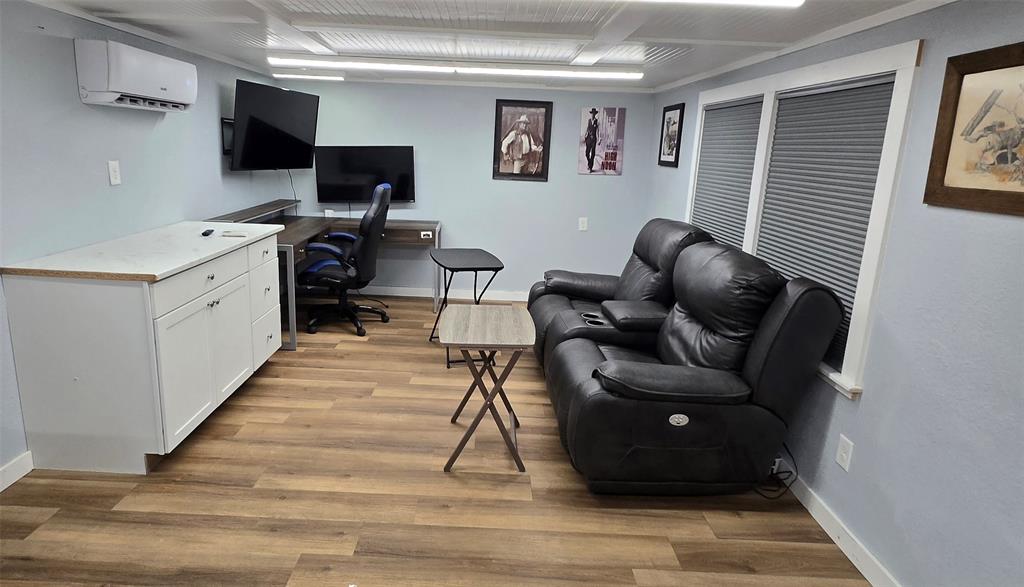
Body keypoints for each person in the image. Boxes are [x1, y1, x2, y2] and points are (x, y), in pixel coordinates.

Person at [584, 107, 600, 172]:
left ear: (595, 114)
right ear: (591, 114)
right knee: (587, 153)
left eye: (594, 114)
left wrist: (599, 139)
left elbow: (598, 131)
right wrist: (585, 136)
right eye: (592, 113)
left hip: (594, 139)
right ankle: (589, 162)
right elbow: (587, 129)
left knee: (592, 153)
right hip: (588, 139)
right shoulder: (589, 121)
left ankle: (590, 167)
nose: (593, 115)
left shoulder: (597, 121)